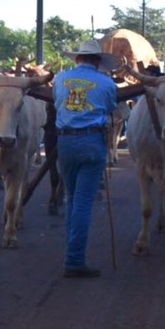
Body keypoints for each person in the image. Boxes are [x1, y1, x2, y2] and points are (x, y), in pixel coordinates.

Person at [53, 40, 119, 278]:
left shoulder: (60, 79)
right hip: (92, 142)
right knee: (82, 201)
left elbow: (57, 103)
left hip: (65, 142)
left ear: (77, 59)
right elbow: (111, 107)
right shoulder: (107, 82)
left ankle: (72, 251)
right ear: (98, 61)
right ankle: (74, 260)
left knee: (72, 199)